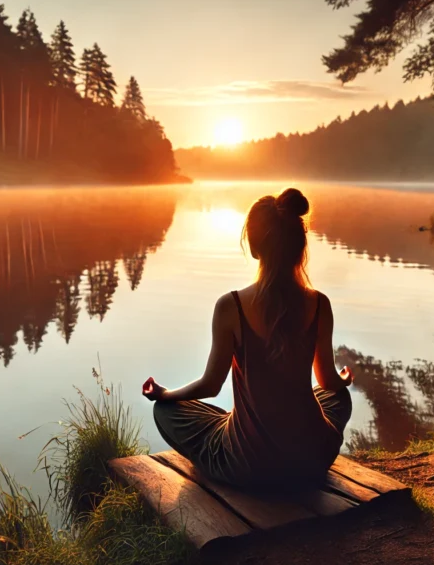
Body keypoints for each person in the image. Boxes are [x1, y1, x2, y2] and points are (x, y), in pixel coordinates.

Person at [142, 188, 354, 491]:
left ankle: (245, 426)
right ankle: (250, 424)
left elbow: (210, 385)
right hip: (312, 459)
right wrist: (343, 379)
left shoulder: (231, 306)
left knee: (165, 411)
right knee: (338, 397)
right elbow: (328, 381)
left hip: (249, 466)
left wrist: (165, 394)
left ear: (254, 248)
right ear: (298, 245)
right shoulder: (319, 304)